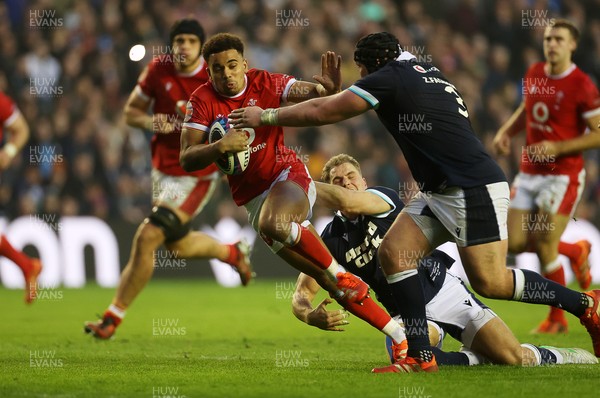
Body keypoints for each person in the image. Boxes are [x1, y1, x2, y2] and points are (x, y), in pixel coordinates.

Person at [228, 31, 600, 373]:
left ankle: (585, 304)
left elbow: (329, 112)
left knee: (492, 282)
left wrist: (269, 118)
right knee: (394, 252)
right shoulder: (423, 71)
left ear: (372, 65)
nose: (362, 78)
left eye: (362, 70)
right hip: (441, 189)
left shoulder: (390, 77)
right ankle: (421, 357)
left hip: (471, 187)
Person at [179, 33, 411, 350]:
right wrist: (220, 146)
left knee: (277, 226)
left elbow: (307, 92)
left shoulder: (265, 82)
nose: (227, 74)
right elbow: (186, 157)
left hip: (287, 176)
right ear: (209, 72)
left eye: (233, 65)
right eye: (218, 69)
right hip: (254, 201)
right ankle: (401, 340)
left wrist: (325, 90)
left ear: (244, 65)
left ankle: (339, 272)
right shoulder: (201, 101)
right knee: (332, 285)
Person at [292, 154, 597, 368]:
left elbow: (349, 201)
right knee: (406, 356)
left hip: (444, 289)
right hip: (405, 313)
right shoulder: (331, 238)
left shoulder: (381, 199)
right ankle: (473, 357)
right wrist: (307, 315)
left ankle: (559, 356)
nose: (346, 183)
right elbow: (302, 292)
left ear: (364, 180)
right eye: (337, 180)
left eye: (351, 176)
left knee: (513, 358)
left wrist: (293, 182)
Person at [84, 20, 252, 340]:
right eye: (178, 40)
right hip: (161, 172)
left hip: (196, 175)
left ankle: (112, 317)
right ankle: (233, 253)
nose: (183, 46)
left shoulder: (213, 77)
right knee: (177, 246)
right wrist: (151, 121)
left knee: (148, 236)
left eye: (190, 41)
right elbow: (130, 113)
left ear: (201, 49)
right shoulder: (158, 69)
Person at [493, 19, 600, 334]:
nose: (551, 44)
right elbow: (527, 108)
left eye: (558, 39)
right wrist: (506, 132)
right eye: (548, 38)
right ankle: (576, 250)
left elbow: (598, 133)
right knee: (514, 242)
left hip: (562, 176)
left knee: (545, 246)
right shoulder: (535, 72)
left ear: (572, 45)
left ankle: (557, 319)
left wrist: (560, 146)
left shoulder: (583, 85)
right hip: (529, 173)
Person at [0, 90, 42, 304]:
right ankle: (28, 266)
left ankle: (27, 266)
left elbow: (21, 129)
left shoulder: (1, 102)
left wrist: (8, 151)